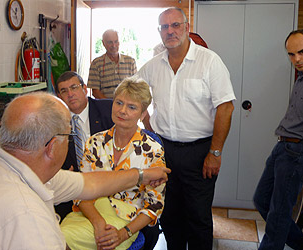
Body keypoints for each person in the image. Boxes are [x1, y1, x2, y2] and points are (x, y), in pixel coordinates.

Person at [0, 92, 170, 250]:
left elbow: (90, 183)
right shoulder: (28, 218)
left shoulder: (8, 173)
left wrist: (142, 175)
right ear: (52, 147)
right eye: (69, 136)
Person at [136, 7, 235, 250]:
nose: (170, 31)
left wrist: (215, 152)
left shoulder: (209, 61)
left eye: (175, 25)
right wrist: (148, 126)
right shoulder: (152, 65)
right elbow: (132, 95)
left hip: (200, 152)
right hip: (163, 150)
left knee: (198, 216)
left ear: (187, 27)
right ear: (159, 31)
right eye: (164, 27)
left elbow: (225, 108)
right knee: (169, 213)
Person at [253, 29, 303, 250]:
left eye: (302, 52)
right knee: (262, 199)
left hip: (299, 153)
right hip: (284, 147)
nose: (296, 59)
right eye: (291, 54)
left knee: (278, 215)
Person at [61, 77, 165, 250]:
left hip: (126, 220)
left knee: (64, 239)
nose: (122, 111)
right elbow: (81, 190)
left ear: (142, 114)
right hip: (90, 213)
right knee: (55, 235)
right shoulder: (95, 142)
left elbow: (154, 206)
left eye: (132, 107)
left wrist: (123, 233)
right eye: (119, 103)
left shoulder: (152, 150)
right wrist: (98, 222)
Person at [54, 71, 114, 220]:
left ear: (85, 89)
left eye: (74, 87)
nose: (70, 94)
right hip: (72, 187)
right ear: (59, 96)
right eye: (64, 91)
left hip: (108, 182)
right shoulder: (54, 121)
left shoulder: (109, 109)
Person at [88, 29, 137, 99]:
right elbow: (95, 92)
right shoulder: (96, 64)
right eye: (110, 42)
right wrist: (111, 104)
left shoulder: (130, 62)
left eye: (116, 41)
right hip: (105, 106)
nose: (114, 45)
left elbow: (135, 87)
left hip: (127, 105)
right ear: (103, 43)